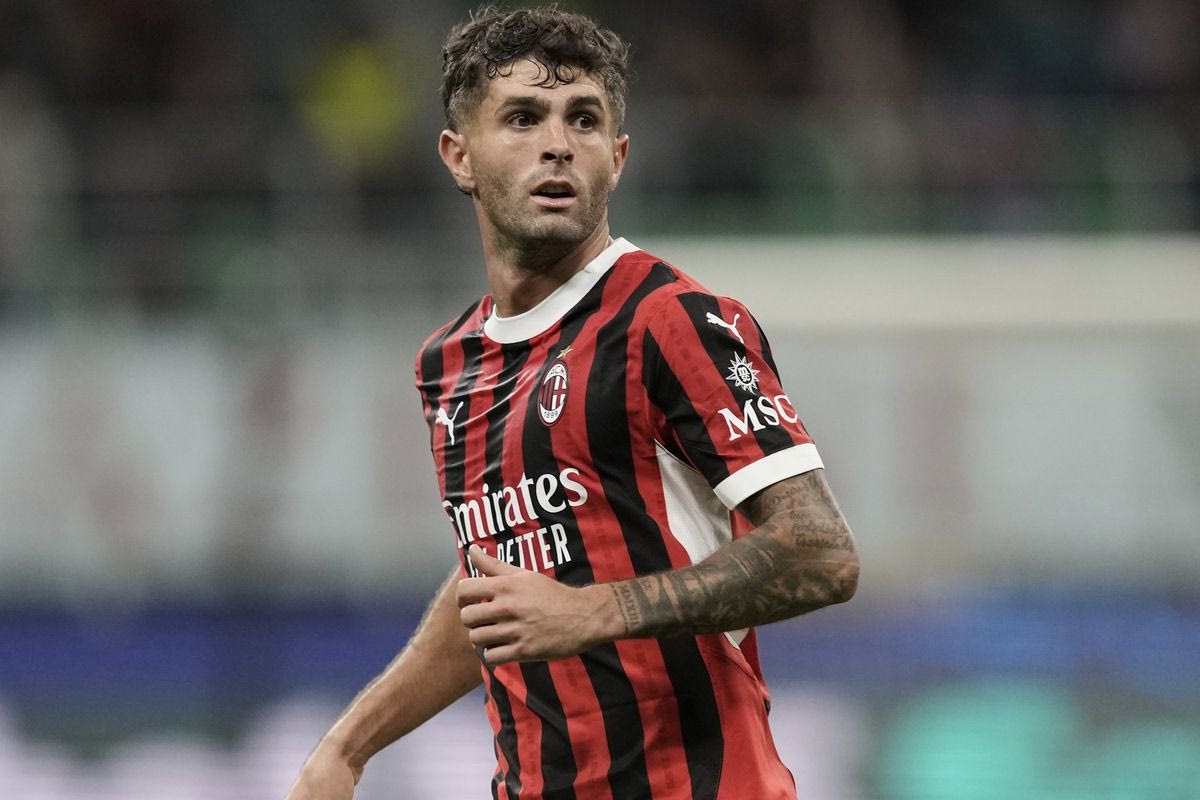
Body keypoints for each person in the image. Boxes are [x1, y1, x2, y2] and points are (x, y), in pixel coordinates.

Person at [285, 6, 859, 799]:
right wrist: (348, 747)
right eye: (523, 118)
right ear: (459, 156)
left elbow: (821, 553)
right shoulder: (448, 366)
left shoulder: (669, 321)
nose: (557, 143)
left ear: (616, 159)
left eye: (583, 120)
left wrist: (597, 611)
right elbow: (498, 582)